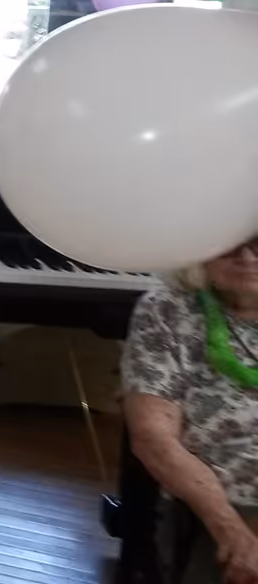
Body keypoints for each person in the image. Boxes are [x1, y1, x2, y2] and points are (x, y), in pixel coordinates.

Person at [125, 240, 258, 584]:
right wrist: (233, 533)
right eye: (229, 245)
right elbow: (151, 436)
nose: (246, 258)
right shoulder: (167, 310)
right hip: (224, 502)